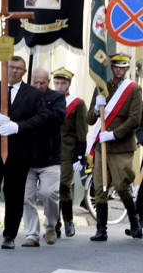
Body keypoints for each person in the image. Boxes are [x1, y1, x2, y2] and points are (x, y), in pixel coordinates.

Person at [0, 56, 47, 249]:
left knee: (14, 193)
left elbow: (42, 119)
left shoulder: (33, 94)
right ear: (5, 69)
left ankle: (9, 235)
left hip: (18, 152)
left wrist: (18, 127)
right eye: (11, 67)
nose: (14, 71)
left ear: (24, 72)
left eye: (18, 68)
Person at [85, 52, 142, 241]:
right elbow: (89, 119)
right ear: (112, 68)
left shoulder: (134, 89)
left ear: (127, 69)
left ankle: (134, 221)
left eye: (122, 67)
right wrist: (95, 108)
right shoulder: (102, 86)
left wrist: (115, 134)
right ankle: (101, 229)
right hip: (102, 144)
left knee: (120, 184)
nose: (119, 70)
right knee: (100, 185)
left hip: (121, 145)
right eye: (116, 67)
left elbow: (135, 118)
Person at [21, 68, 65, 246]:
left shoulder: (57, 98)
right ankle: (31, 234)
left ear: (48, 82)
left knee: (49, 193)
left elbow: (57, 117)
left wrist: (39, 110)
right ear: (31, 81)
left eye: (43, 83)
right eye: (35, 83)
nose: (39, 86)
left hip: (50, 157)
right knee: (26, 197)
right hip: (26, 156)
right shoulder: (24, 96)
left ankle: (51, 226)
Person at [52, 68, 87, 237]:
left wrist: (80, 154)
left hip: (67, 150)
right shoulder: (47, 100)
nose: (59, 86)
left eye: (63, 83)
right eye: (57, 83)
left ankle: (68, 220)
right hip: (49, 150)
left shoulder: (77, 103)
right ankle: (55, 223)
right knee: (51, 189)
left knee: (63, 185)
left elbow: (82, 130)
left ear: (69, 84)